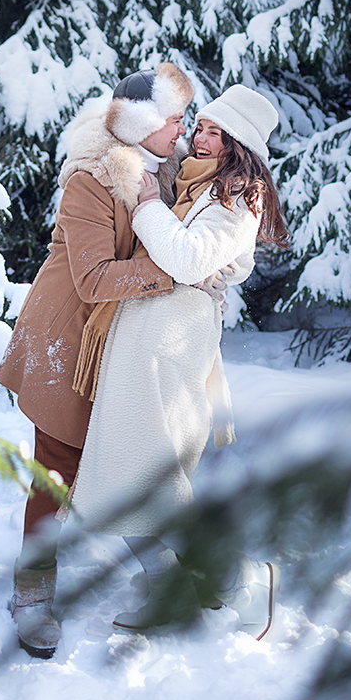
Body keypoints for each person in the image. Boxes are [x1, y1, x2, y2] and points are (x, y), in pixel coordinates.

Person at [0, 61, 211, 658]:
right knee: (58, 468)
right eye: (172, 119)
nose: (181, 129)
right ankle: (32, 591)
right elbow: (92, 278)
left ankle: (166, 576)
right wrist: (172, 273)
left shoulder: (164, 169)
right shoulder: (91, 179)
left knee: (134, 452)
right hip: (70, 341)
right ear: (142, 124)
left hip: (124, 342)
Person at [68, 84, 289, 638]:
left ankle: (239, 581)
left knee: (147, 471)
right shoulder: (190, 186)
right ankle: (170, 582)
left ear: (239, 145)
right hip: (142, 332)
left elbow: (187, 259)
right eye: (202, 126)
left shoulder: (239, 197)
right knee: (116, 470)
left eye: (217, 132)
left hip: (172, 336)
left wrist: (145, 206)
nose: (202, 137)